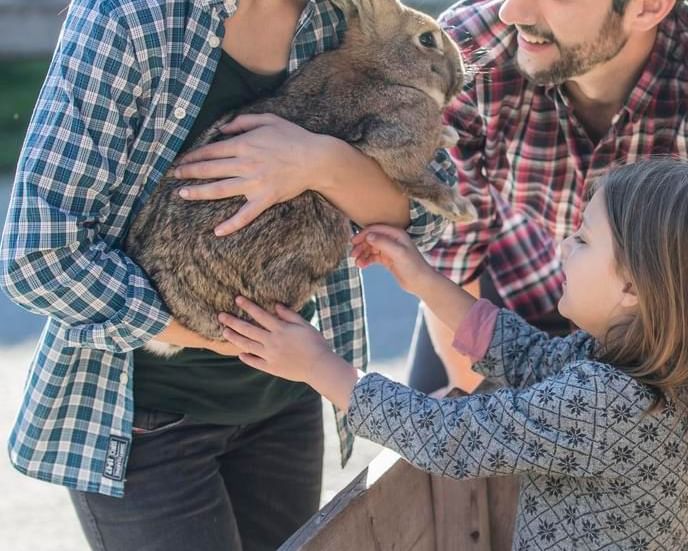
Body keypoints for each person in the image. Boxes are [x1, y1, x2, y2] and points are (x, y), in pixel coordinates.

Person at [0, 0, 452, 549]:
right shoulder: (130, 19)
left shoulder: (345, 19)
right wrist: (212, 336)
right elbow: (39, 255)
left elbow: (430, 215)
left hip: (285, 401)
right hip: (144, 421)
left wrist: (318, 162)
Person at [220, 158, 688, 550]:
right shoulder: (656, 375)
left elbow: (448, 437)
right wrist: (422, 280)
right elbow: (526, 355)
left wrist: (319, 365)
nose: (562, 246)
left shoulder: (610, 401)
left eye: (582, 240)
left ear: (635, 287)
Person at [408, 0, 688, 413]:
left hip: (676, 318)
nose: (511, 13)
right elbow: (452, 263)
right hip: (506, 298)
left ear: (648, 7)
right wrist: (483, 412)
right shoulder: (462, 52)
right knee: (438, 445)